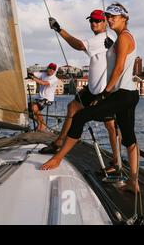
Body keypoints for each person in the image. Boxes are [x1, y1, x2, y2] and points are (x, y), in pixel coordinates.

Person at [41, 2, 140, 193]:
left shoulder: (122, 38)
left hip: (122, 94)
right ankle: (133, 182)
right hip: (128, 94)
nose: (109, 19)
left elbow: (119, 68)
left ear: (124, 18)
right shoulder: (118, 38)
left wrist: (105, 92)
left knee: (80, 117)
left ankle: (58, 157)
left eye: (113, 17)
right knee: (129, 138)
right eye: (108, 16)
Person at [39, 10, 120, 173]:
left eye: (97, 21)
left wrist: (59, 29)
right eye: (91, 21)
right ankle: (59, 142)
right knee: (72, 107)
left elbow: (79, 45)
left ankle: (117, 163)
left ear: (105, 23)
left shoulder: (101, 38)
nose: (94, 24)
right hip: (92, 89)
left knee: (110, 126)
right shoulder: (105, 40)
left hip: (103, 91)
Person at [28, 63, 59, 132]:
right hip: (40, 98)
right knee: (26, 110)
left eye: (53, 69)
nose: (51, 70)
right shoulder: (43, 74)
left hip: (48, 99)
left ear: (54, 71)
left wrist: (32, 78)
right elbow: (33, 73)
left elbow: (43, 83)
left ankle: (43, 125)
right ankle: (40, 123)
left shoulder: (54, 79)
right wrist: (28, 73)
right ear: (47, 68)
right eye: (50, 68)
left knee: (34, 107)